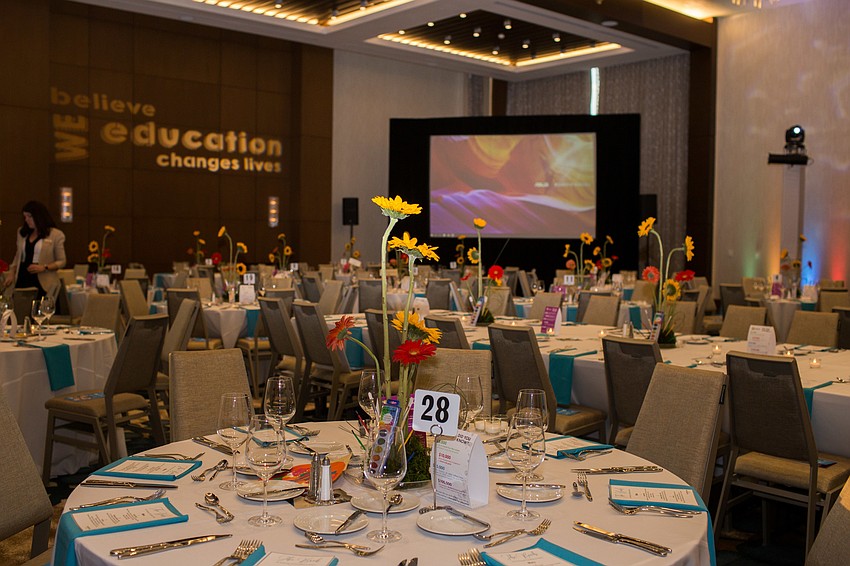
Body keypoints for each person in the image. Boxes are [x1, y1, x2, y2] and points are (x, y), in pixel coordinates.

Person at [4, 201, 66, 299]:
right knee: (20, 309)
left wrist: (44, 267)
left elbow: (62, 261)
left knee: (40, 311)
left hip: (43, 280)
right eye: (25, 217)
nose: (27, 220)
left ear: (38, 216)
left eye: (30, 217)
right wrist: (12, 272)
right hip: (23, 277)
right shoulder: (22, 232)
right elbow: (18, 256)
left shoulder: (55, 235)